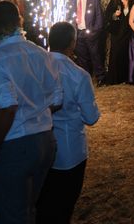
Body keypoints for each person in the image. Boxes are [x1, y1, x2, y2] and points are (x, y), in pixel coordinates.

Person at [0, 1, 62, 223]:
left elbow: (7, 106)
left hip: (14, 143)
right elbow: (57, 99)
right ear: (19, 22)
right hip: (45, 139)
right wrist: (34, 107)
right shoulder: (40, 53)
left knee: (10, 214)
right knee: (28, 209)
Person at [36, 22, 100, 224]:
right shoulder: (78, 74)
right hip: (69, 150)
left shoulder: (35, 66)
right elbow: (91, 118)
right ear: (72, 43)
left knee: (42, 203)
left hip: (37, 143)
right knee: (63, 205)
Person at [71, 0, 104, 83]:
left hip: (91, 32)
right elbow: (69, 16)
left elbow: (99, 16)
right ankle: (86, 78)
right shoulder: (71, 0)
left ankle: (100, 77)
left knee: (95, 55)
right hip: (78, 33)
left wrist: (95, 30)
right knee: (82, 57)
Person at [104, 0, 134, 85]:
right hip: (117, 32)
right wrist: (114, 15)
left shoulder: (133, 2)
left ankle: (126, 77)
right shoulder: (114, 2)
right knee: (116, 54)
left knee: (127, 54)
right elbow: (107, 16)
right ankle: (115, 78)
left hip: (129, 32)